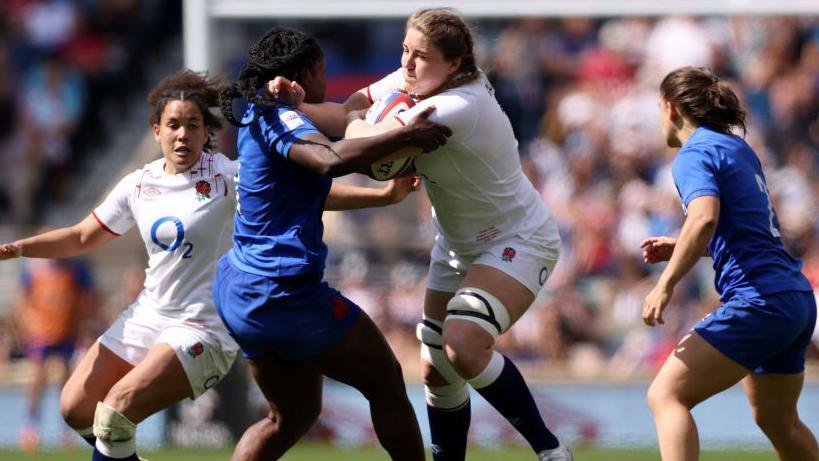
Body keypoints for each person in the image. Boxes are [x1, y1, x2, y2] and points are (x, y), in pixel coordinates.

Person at [0, 69, 421, 461]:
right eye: (174, 125)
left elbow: (309, 195)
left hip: (202, 326)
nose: (183, 135)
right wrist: (17, 248)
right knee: (76, 409)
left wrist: (381, 197)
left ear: (207, 133)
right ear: (156, 131)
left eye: (193, 125)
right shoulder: (138, 184)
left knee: (114, 414)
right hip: (147, 315)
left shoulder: (226, 176)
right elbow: (79, 237)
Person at [278, 8, 571, 461]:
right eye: (405, 51)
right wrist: (292, 107)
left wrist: (362, 120)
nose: (408, 64)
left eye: (421, 56)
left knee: (463, 346)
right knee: (436, 372)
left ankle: (551, 451)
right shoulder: (415, 82)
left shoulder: (455, 106)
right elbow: (346, 113)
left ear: (454, 64)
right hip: (457, 246)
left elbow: (371, 156)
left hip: (517, 239)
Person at [215, 27, 451, 461]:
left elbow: (307, 190)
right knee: (385, 377)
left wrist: (382, 196)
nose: (327, 78)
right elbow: (327, 162)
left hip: (242, 287)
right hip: (282, 291)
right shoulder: (281, 118)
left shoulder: (258, 111)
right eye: (322, 70)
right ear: (306, 71)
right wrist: (404, 137)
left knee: (291, 415)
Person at [641, 66, 818, 461]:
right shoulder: (737, 148)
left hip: (760, 300)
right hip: (794, 298)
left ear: (670, 109)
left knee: (666, 394)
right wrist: (683, 246)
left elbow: (703, 218)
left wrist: (664, 284)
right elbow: (741, 232)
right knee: (778, 421)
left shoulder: (694, 153)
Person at [15, 255, 98, 451]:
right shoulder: (34, 270)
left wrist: (83, 324)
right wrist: (26, 323)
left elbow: (88, 299)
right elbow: (21, 300)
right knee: (37, 377)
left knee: (66, 378)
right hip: (41, 332)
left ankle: (67, 429)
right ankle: (30, 426)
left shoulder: (77, 270)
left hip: (66, 331)